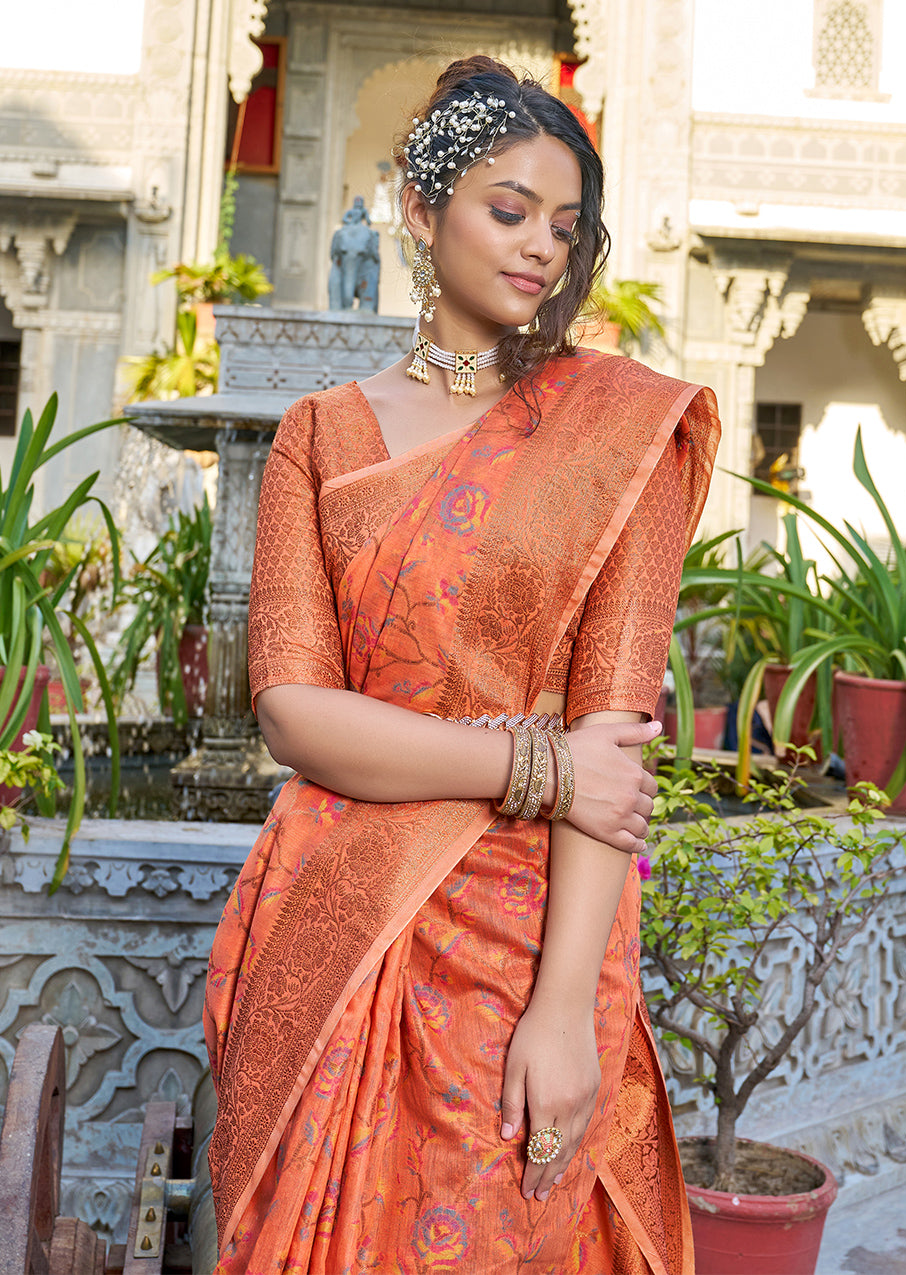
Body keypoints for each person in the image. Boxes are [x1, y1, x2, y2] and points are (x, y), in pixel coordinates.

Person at [204, 55, 720, 1275]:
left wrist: (561, 1012)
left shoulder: (618, 434)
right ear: (421, 210)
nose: (541, 247)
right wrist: (538, 766)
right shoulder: (320, 434)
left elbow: (618, 747)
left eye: (566, 224)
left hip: (528, 938)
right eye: (507, 209)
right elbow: (291, 709)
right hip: (334, 917)